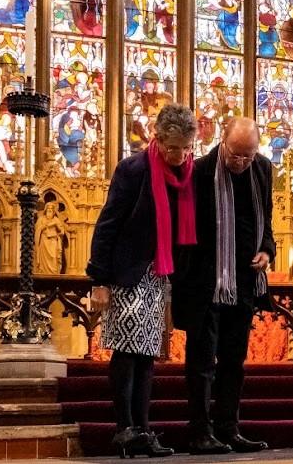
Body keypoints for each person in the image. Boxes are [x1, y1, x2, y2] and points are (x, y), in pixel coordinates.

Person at [87, 105, 200, 458]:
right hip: (127, 274)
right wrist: (100, 279)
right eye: (171, 147)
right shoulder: (134, 169)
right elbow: (108, 224)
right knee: (127, 352)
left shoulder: (186, 176)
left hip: (158, 275)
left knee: (148, 354)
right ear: (158, 137)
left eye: (184, 147)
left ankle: (143, 428)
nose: (177, 154)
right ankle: (125, 429)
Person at [172, 117, 275, 455]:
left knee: (234, 362)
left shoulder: (262, 169)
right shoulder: (199, 171)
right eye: (235, 155)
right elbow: (183, 230)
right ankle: (200, 432)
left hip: (244, 284)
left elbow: (266, 222)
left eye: (248, 156)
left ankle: (229, 429)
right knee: (201, 364)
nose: (241, 163)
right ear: (222, 142)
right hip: (205, 285)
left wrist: (266, 250)